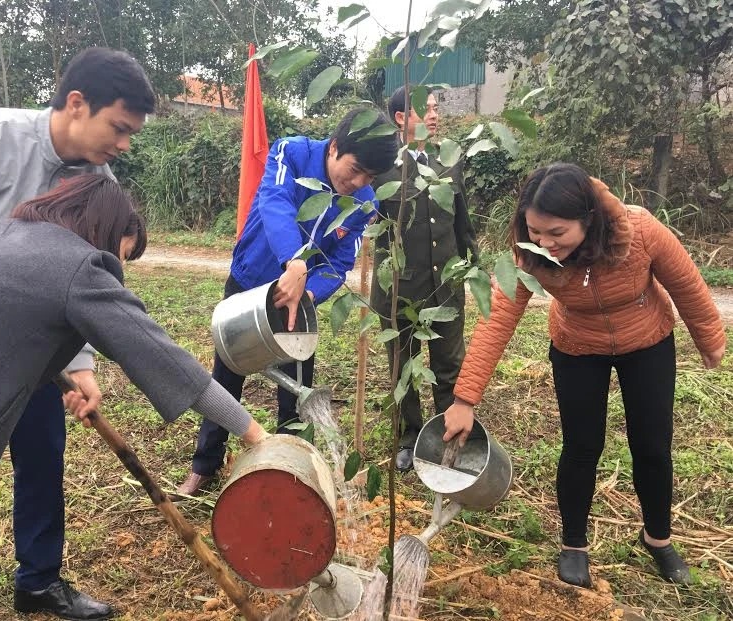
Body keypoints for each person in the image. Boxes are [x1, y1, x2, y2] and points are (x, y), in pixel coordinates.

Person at [0, 174, 270, 621]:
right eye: (123, 255)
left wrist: (68, 369)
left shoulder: (0, 236)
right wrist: (256, 434)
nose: (118, 270)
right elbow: (170, 363)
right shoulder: (78, 264)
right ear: (109, 231)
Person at [0, 47, 154, 620]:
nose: (123, 145)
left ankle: (39, 580)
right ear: (75, 103)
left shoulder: (97, 182)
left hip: (32, 351)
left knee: (44, 455)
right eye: (118, 128)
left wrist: (82, 361)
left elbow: (87, 280)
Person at [442, 163, 726, 587]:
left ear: (588, 220)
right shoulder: (531, 253)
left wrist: (710, 338)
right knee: (580, 446)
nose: (545, 242)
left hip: (647, 339)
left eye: (557, 233)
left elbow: (686, 283)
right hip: (577, 345)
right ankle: (574, 544)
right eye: (536, 231)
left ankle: (658, 538)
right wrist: (464, 400)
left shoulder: (640, 230)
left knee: (652, 445)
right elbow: (498, 318)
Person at [177, 107, 400, 496]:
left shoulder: (363, 202)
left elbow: (340, 262)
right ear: (334, 148)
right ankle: (205, 464)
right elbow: (274, 202)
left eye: (370, 177)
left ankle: (288, 473)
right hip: (249, 284)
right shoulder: (291, 154)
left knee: (297, 391)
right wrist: (293, 263)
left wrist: (309, 292)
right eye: (356, 168)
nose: (360, 181)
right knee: (227, 376)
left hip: (301, 303)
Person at [371, 85, 479, 472]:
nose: (433, 115)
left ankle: (450, 435)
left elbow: (462, 220)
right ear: (401, 119)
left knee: (450, 365)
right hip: (400, 289)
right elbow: (365, 222)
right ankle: (409, 436)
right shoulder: (382, 167)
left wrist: (474, 264)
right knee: (404, 368)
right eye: (425, 110)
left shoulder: (449, 159)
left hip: (444, 287)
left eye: (435, 108)